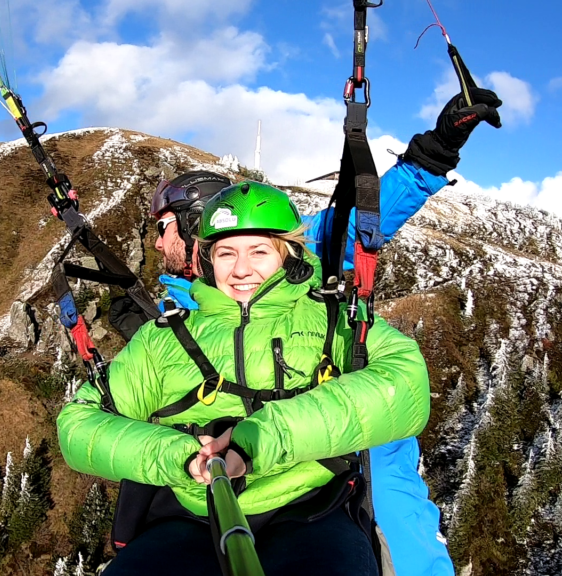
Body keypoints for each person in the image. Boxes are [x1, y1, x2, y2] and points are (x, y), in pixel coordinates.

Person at [106, 88, 501, 575]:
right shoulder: (173, 302)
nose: (156, 239)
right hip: (215, 491)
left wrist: (434, 152)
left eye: (162, 225)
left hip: (337, 448)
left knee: (400, 538)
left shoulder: (293, 257)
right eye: (227, 253)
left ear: (192, 226)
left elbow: (360, 221)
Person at [59, 180, 432, 575]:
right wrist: (176, 456)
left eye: (258, 251)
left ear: (287, 254)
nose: (240, 270)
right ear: (207, 259)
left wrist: (266, 437)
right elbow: (78, 423)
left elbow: (405, 383)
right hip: (190, 514)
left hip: (309, 505)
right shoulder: (162, 339)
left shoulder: (333, 320)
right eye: (226, 253)